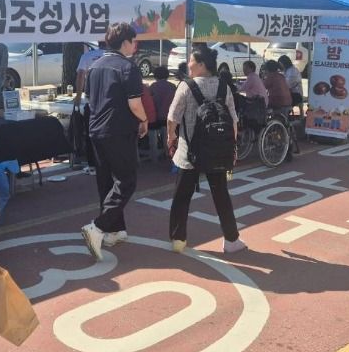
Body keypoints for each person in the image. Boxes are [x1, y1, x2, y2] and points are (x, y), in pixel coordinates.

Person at [166, 44, 246, 254]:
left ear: (201, 64)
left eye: (191, 60)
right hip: (217, 151)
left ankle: (178, 239)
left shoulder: (186, 86)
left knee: (181, 197)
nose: (188, 64)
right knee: (221, 195)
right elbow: (233, 120)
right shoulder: (223, 86)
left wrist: (170, 137)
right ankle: (231, 240)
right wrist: (231, 147)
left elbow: (172, 118)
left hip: (189, 152)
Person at [80, 24, 147, 260]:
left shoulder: (95, 66)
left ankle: (114, 230)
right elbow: (135, 104)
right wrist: (144, 120)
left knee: (106, 181)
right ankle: (97, 227)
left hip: (96, 130)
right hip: (118, 131)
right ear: (125, 42)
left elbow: (89, 100)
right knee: (126, 181)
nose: (135, 45)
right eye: (133, 40)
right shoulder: (127, 67)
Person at [73, 41, 107, 171]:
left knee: (91, 134)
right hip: (109, 100)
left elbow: (81, 76)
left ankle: (93, 165)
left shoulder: (87, 56)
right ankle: (108, 164)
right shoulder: (113, 56)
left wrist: (78, 95)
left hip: (92, 100)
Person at [149, 66, 177, 155]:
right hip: (170, 117)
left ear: (155, 76)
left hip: (157, 117)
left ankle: (158, 152)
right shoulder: (172, 86)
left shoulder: (153, 86)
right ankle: (168, 152)